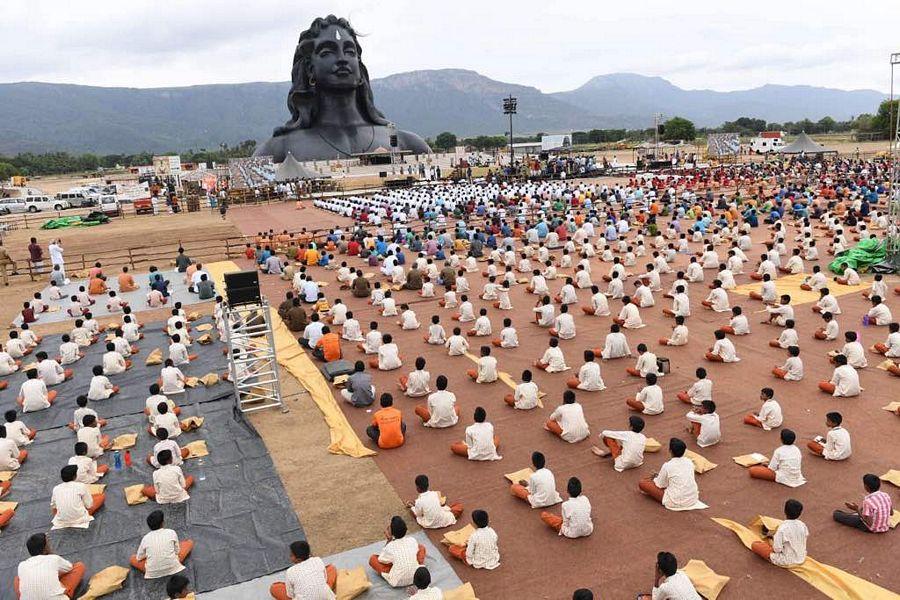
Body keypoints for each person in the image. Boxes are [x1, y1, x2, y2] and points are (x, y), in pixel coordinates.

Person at [14, 533, 86, 600]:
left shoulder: (22, 565)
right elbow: (69, 568)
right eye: (48, 544)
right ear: (45, 549)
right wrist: (51, 554)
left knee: (17, 579)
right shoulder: (53, 558)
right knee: (79, 566)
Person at [638, 438, 700, 510]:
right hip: (692, 498)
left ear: (670, 451)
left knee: (642, 483)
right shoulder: (689, 462)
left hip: (675, 501)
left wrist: (655, 479)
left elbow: (660, 485)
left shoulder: (667, 465)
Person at [130, 510, 193, 579]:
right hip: (174, 567)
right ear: (162, 523)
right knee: (189, 543)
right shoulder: (171, 532)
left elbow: (139, 558)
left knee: (133, 558)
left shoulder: (145, 538)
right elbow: (177, 551)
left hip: (152, 572)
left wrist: (150, 554)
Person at [368, 516, 426, 587]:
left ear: (392, 533)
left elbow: (381, 560)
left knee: (373, 559)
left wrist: (389, 540)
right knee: (421, 547)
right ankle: (416, 564)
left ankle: (398, 567)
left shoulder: (390, 546)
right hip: (416, 576)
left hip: (397, 581)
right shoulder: (412, 540)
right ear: (406, 529)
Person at [270, 540, 337, 600]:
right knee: (331, 568)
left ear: (298, 559)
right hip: (326, 597)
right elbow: (324, 579)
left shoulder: (290, 571)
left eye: (291, 555)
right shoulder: (317, 560)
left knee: (275, 588)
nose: (289, 556)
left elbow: (290, 595)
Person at [750, 499, 808, 567]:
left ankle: (770, 558)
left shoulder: (782, 529)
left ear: (785, 511)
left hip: (786, 560)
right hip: (802, 557)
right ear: (800, 513)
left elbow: (777, 550)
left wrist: (771, 542)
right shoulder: (802, 525)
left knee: (755, 545)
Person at [51, 464, 105, 529]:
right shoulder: (81, 486)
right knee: (101, 496)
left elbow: (54, 507)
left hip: (62, 520)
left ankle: (65, 516)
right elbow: (89, 505)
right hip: (80, 518)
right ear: (75, 476)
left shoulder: (56, 488)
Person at [637, 551, 701, 600]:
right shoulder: (682, 574)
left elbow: (655, 598)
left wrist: (657, 578)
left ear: (660, 571)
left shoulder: (665, 587)